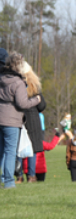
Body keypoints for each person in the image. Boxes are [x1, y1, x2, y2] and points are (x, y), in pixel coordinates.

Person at [0, 52, 41, 188]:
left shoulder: (1, 78)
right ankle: (9, 182)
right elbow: (22, 103)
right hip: (11, 121)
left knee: (1, 151)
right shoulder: (18, 83)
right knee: (10, 152)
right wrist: (36, 100)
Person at [21, 61, 46, 183]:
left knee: (17, 147)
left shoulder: (17, 83)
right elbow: (41, 106)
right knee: (32, 148)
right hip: (33, 118)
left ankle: (19, 174)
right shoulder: (34, 86)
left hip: (19, 116)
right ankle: (31, 175)